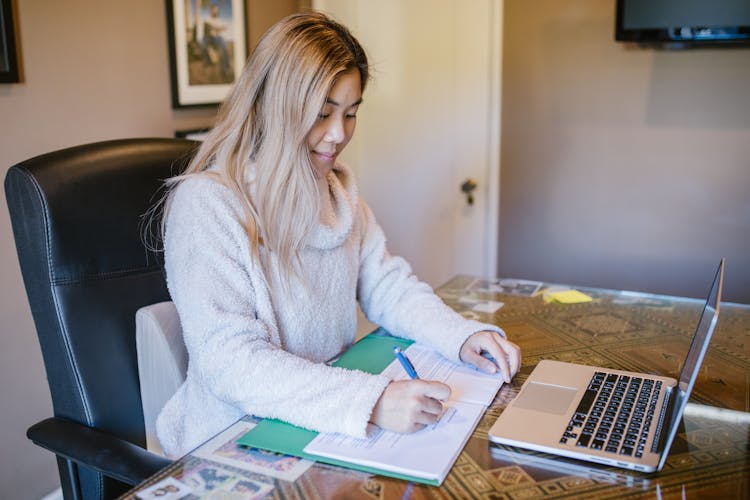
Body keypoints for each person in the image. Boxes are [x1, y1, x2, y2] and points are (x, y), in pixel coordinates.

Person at [155, 11, 521, 458]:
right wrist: (372, 401)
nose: (338, 135)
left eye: (350, 114)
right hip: (233, 438)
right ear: (276, 105)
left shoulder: (335, 191)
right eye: (323, 113)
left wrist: (459, 336)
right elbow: (230, 363)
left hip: (322, 419)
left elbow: (388, 286)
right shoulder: (209, 204)